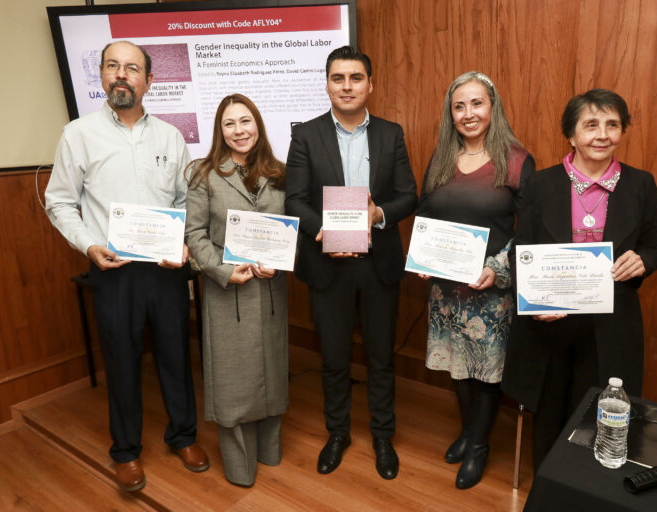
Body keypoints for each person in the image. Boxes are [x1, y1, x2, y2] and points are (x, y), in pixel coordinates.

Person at [44, 41, 208, 492]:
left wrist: (185, 245)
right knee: (121, 361)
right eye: (113, 66)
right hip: (112, 268)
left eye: (132, 68)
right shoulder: (77, 134)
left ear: (148, 81)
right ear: (101, 76)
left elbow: (185, 199)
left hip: (166, 267)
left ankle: (183, 436)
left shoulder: (171, 137)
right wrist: (89, 245)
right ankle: (126, 452)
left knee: (177, 354)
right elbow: (59, 201)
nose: (122, 74)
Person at [501, 88, 657, 472]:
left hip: (611, 324)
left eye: (612, 124)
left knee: (598, 417)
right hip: (550, 326)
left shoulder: (641, 184)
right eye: (591, 125)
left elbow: (653, 246)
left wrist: (642, 260)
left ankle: (588, 487)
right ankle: (549, 483)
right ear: (571, 135)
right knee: (550, 411)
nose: (602, 134)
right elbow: (518, 252)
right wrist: (532, 302)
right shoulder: (540, 184)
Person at [285, 46, 417, 480]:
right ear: (327, 84)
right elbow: (295, 200)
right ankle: (337, 432)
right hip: (329, 264)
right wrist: (324, 232)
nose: (346, 86)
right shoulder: (305, 135)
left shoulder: (391, 133)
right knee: (334, 358)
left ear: (369, 85)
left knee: (381, 357)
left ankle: (382, 435)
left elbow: (408, 195)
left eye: (355, 78)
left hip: (378, 261)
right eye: (338, 78)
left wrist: (379, 214)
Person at [417, 71, 535, 489]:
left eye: (477, 103)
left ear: (493, 106)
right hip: (447, 290)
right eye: (459, 106)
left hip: (491, 290)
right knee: (457, 366)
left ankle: (480, 446)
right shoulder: (442, 157)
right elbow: (426, 212)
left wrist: (500, 268)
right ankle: (468, 433)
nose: (468, 113)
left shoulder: (517, 159)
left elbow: (532, 228)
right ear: (451, 114)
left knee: (486, 372)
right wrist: (423, 252)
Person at [184, 94, 288, 487]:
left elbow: (291, 228)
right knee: (232, 380)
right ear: (219, 130)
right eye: (230, 124)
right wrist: (224, 270)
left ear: (258, 125)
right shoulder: (203, 174)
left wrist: (280, 259)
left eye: (246, 121)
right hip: (227, 291)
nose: (239, 130)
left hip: (271, 288)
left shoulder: (280, 172)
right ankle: (240, 467)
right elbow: (194, 234)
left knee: (272, 373)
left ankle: (270, 451)